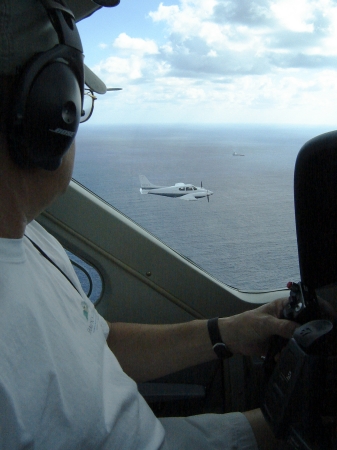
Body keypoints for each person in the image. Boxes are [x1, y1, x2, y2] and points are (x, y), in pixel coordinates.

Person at [0, 1, 298, 448]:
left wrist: (228, 332)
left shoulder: (33, 240)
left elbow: (95, 348)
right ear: (46, 115)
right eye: (75, 103)